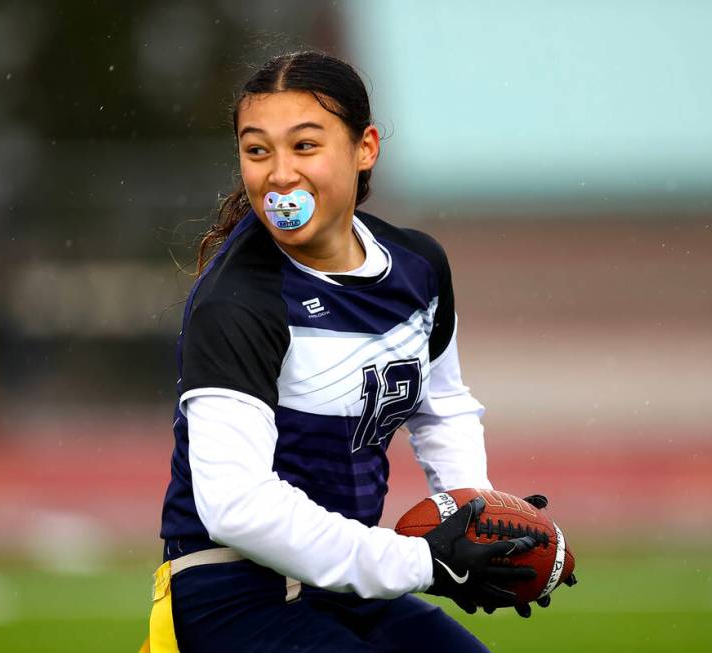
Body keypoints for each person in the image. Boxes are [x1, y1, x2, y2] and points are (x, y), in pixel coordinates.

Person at [140, 51, 573, 653]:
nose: (280, 174)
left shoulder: (419, 267)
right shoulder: (238, 301)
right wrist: (422, 561)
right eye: (257, 150)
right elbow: (236, 507)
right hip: (231, 592)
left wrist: (474, 522)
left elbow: (442, 405)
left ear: (364, 147)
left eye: (305, 146)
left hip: (350, 585)